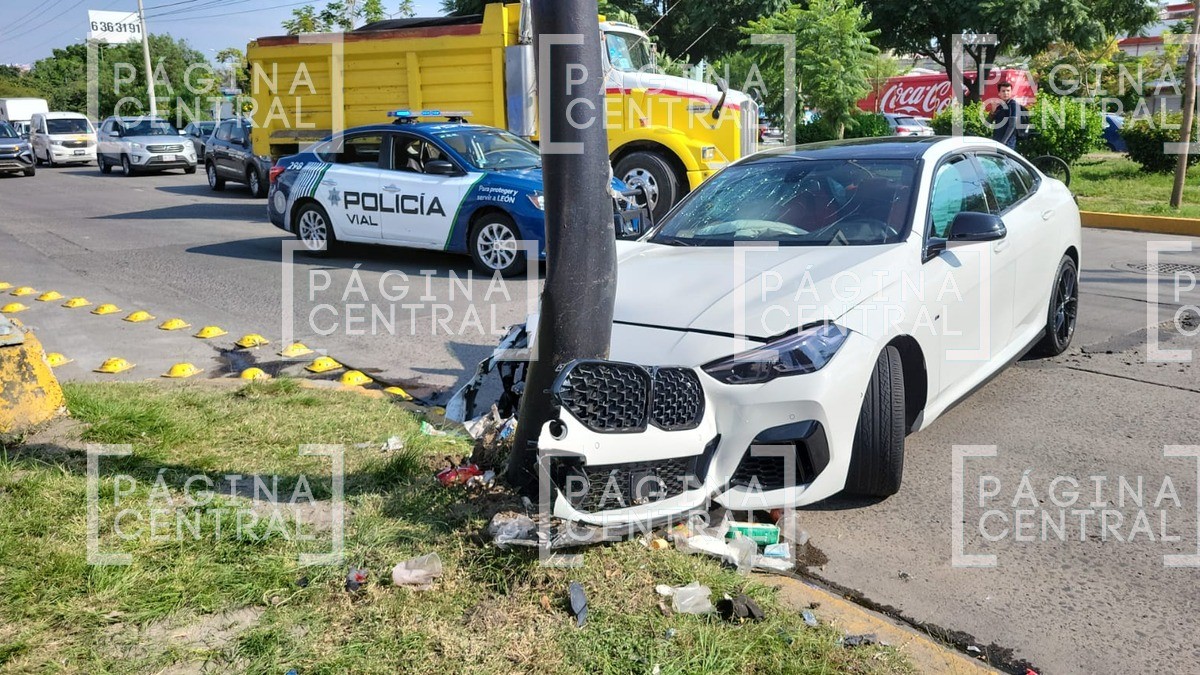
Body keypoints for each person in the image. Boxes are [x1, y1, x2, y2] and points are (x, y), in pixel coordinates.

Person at [989, 81, 1021, 150]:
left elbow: (1012, 126)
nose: (1006, 93)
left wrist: (1003, 143)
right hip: (997, 142)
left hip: (1007, 144)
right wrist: (993, 111)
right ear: (999, 93)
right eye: (1003, 91)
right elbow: (988, 122)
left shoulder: (1013, 105)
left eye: (1008, 91)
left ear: (1011, 92)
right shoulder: (999, 106)